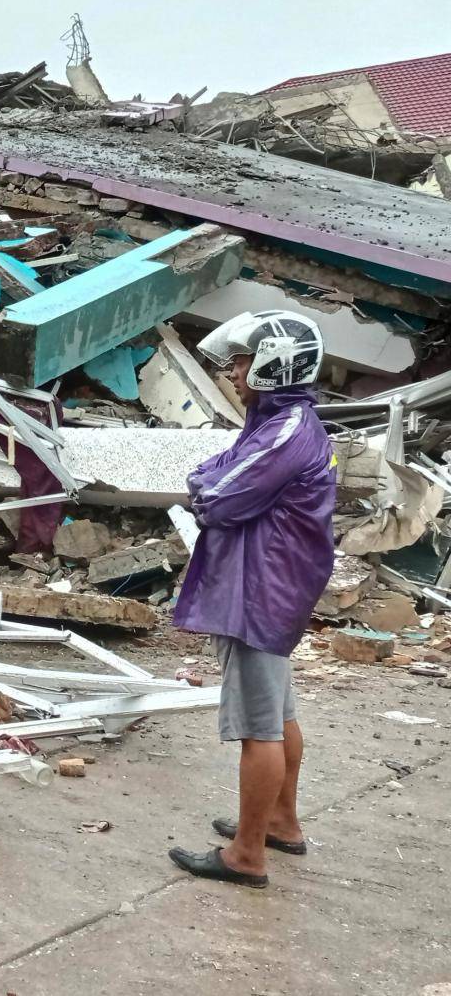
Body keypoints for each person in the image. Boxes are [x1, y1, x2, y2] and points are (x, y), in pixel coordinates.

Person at [168, 309, 336, 888]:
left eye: (241, 363)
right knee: (281, 711)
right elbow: (219, 472)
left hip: (260, 591)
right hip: (276, 584)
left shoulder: (285, 431)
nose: (234, 374)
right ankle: (281, 822)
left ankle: (246, 855)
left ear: (271, 366)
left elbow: (216, 493)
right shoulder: (280, 423)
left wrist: (206, 489)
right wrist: (210, 482)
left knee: (257, 726)